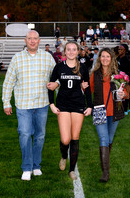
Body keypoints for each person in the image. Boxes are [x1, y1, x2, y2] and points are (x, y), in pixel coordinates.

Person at [2, 30, 56, 181]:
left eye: (35, 39)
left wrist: (56, 85)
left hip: (41, 104)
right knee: (25, 134)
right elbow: (8, 83)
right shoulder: (17, 58)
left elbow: (57, 77)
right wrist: (6, 103)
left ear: (39, 41)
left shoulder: (48, 58)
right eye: (29, 38)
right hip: (23, 105)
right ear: (25, 40)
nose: (32, 41)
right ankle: (27, 167)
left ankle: (36, 165)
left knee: (39, 136)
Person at [47, 41, 92, 180]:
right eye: (69, 49)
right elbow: (51, 86)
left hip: (78, 105)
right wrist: (51, 104)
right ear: (64, 52)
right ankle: (63, 156)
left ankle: (72, 170)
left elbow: (87, 88)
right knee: (65, 139)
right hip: (63, 105)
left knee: (75, 138)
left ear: (78, 51)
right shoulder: (59, 67)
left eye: (74, 49)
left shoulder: (83, 68)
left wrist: (89, 105)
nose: (71, 52)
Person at [89, 47, 127, 182]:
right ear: (99, 58)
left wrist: (123, 94)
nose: (105, 59)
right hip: (99, 111)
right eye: (102, 56)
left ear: (111, 59)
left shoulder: (118, 75)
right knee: (103, 139)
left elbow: (125, 92)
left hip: (115, 112)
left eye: (107, 56)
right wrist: (83, 88)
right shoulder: (95, 74)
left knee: (110, 139)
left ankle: (106, 163)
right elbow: (89, 91)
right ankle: (106, 173)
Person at [117, 44, 130, 114]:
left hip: (125, 78)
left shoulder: (126, 58)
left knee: (126, 93)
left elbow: (128, 70)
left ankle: (126, 109)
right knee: (121, 93)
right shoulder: (118, 58)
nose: (119, 50)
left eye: (121, 49)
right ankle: (123, 108)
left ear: (124, 50)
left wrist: (126, 79)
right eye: (119, 49)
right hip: (119, 78)